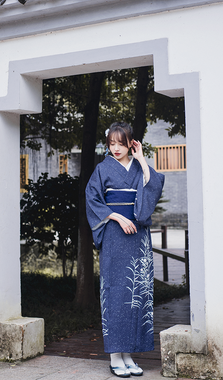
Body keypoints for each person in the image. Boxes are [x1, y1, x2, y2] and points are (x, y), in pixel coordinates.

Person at [85, 122, 164, 378]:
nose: (116, 148)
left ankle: (129, 354)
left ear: (131, 142)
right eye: (111, 143)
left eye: (121, 143)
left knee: (137, 292)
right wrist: (118, 218)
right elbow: (93, 198)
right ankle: (115, 356)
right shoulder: (102, 169)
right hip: (115, 235)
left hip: (138, 236)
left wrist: (141, 160)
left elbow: (152, 188)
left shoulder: (139, 166)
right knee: (116, 292)